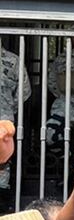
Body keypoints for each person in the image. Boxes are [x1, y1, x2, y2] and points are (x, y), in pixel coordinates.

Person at [0, 45, 30, 192]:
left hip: (4, 118)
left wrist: (9, 109)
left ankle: (2, 192)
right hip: (5, 115)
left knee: (3, 156)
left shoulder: (14, 60)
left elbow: (23, 91)